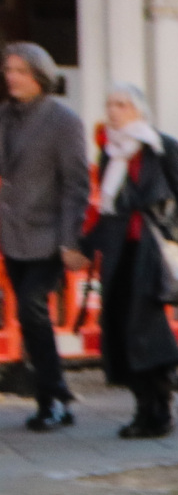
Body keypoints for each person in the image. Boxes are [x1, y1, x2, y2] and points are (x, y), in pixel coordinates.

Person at [82, 83, 178, 439]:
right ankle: (145, 406)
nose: (114, 111)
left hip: (149, 252)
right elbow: (108, 207)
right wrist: (85, 245)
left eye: (122, 104)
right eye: (110, 104)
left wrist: (168, 230)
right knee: (118, 328)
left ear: (139, 111)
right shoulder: (110, 152)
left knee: (144, 330)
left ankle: (158, 407)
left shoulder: (163, 148)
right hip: (119, 252)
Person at [0, 42, 91, 432]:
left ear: (39, 75)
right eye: (8, 69)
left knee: (31, 310)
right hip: (12, 233)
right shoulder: (5, 116)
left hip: (49, 234)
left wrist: (70, 239)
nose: (11, 77)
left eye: (20, 70)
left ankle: (52, 397)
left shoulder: (62, 120)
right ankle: (56, 395)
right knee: (29, 315)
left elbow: (76, 185)